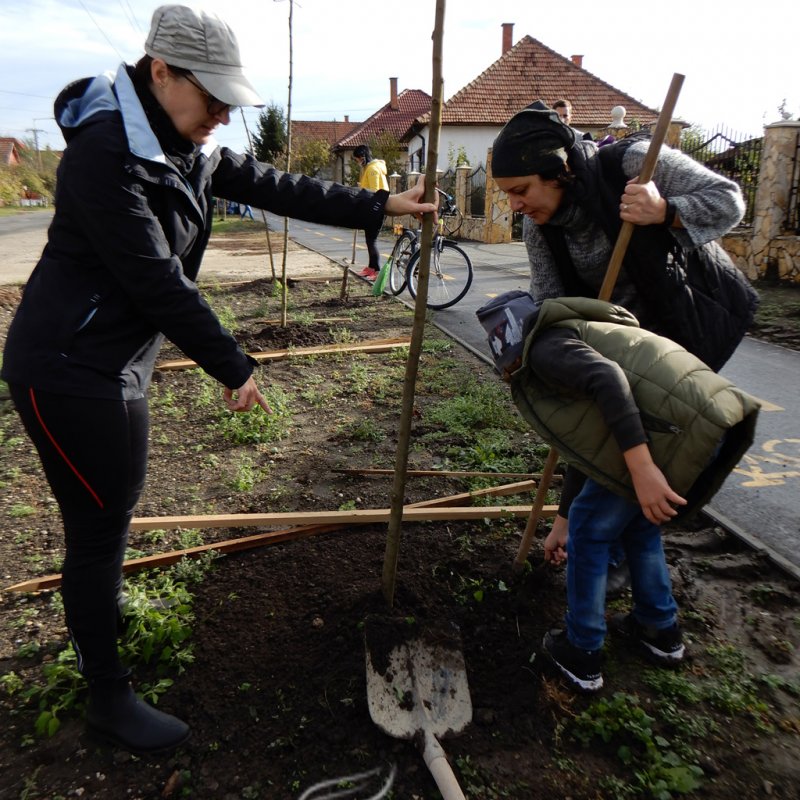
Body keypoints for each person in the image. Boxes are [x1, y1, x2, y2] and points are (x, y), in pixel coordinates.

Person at [0, 4, 435, 757]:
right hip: (71, 372)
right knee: (100, 528)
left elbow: (278, 185)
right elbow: (155, 281)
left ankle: (98, 623)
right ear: (160, 71)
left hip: (107, 363)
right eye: (214, 99)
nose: (224, 116)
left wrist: (377, 203)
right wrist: (233, 364)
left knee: (104, 526)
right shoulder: (107, 155)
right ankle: (106, 697)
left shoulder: (179, 145)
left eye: (231, 101)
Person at [490, 101, 759, 576]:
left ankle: (611, 548)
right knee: (609, 422)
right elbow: (556, 310)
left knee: (654, 437)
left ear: (559, 171)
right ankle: (605, 538)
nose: (514, 206)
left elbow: (729, 201)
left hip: (691, 319)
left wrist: (664, 210)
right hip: (627, 336)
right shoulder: (541, 228)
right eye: (507, 194)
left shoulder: (632, 165)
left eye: (520, 190)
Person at [478, 292, 759, 691]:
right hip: (702, 421)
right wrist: (561, 522)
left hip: (673, 430)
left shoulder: (545, 349)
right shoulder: (574, 332)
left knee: (592, 530)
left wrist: (642, 469)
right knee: (637, 527)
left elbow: (607, 379)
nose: (507, 372)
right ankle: (658, 629)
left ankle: (583, 650)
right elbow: (590, 453)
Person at [352, 144, 390, 280]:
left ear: (362, 157)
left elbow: (374, 190)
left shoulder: (373, 168)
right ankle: (371, 268)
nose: (357, 162)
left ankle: (376, 270)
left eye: (357, 159)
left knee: (371, 241)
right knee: (369, 240)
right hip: (374, 207)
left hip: (376, 207)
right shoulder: (369, 168)